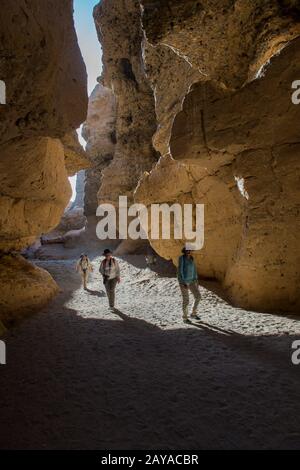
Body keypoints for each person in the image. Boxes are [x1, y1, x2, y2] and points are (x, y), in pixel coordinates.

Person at [178, 247, 201, 323]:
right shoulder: (182, 258)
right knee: (186, 300)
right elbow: (180, 271)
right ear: (184, 250)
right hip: (183, 282)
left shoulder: (191, 258)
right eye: (187, 250)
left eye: (190, 250)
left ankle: (193, 314)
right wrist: (183, 282)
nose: (189, 251)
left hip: (192, 281)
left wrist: (196, 280)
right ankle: (185, 318)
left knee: (198, 296)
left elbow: (194, 269)